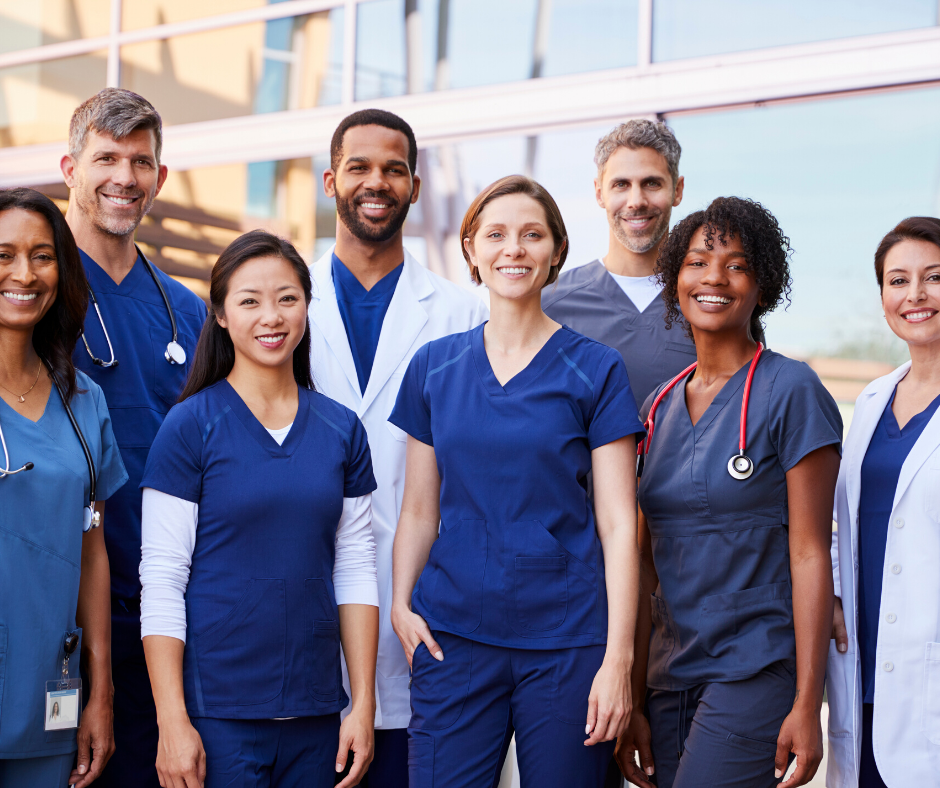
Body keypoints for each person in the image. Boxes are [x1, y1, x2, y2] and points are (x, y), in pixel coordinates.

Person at [389, 175, 644, 787]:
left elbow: (617, 524)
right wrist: (400, 604)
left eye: (532, 235)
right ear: (470, 250)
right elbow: (420, 510)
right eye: (496, 235)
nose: (514, 250)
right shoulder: (434, 366)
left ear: (556, 249)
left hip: (567, 643)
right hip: (454, 637)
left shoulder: (596, 369)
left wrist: (618, 659)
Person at [139, 230, 380, 788]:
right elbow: (163, 581)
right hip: (218, 715)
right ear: (221, 315)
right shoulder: (190, 426)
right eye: (249, 300)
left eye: (287, 298)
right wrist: (172, 721)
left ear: (306, 306)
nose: (271, 316)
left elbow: (356, 569)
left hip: (318, 715)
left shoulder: (342, 429)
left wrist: (362, 705)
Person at [616, 197, 842, 788]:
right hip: (671, 672)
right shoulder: (658, 407)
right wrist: (635, 695)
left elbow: (810, 551)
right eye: (697, 262)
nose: (714, 277)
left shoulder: (791, 390)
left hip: (754, 665)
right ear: (675, 280)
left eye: (736, 265)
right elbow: (643, 563)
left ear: (761, 288)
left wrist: (807, 701)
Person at [307, 108, 487, 785]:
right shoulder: (281, 302)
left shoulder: (463, 315)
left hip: (428, 619)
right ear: (331, 180)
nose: (375, 182)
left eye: (393, 169)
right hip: (302, 611)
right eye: (359, 167)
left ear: (414, 186)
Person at [60, 88, 207, 788]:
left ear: (161, 177)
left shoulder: (189, 310)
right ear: (69, 167)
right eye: (106, 158)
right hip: (62, 599)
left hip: (167, 613)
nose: (125, 176)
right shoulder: (36, 290)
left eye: (141, 161)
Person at [0, 188, 127, 788]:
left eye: (42, 255)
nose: (24, 274)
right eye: (3, 254)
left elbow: (93, 545)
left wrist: (100, 689)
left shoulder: (83, 401)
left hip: (48, 691)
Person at [827, 217, 940, 788]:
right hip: (864, 668)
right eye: (898, 280)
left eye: (934, 277)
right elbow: (842, 522)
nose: (915, 295)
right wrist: (835, 595)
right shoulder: (872, 399)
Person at [542, 120, 695, 411]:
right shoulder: (549, 306)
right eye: (621, 184)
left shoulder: (710, 300)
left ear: (678, 190)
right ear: (600, 193)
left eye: (651, 183)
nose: (636, 201)